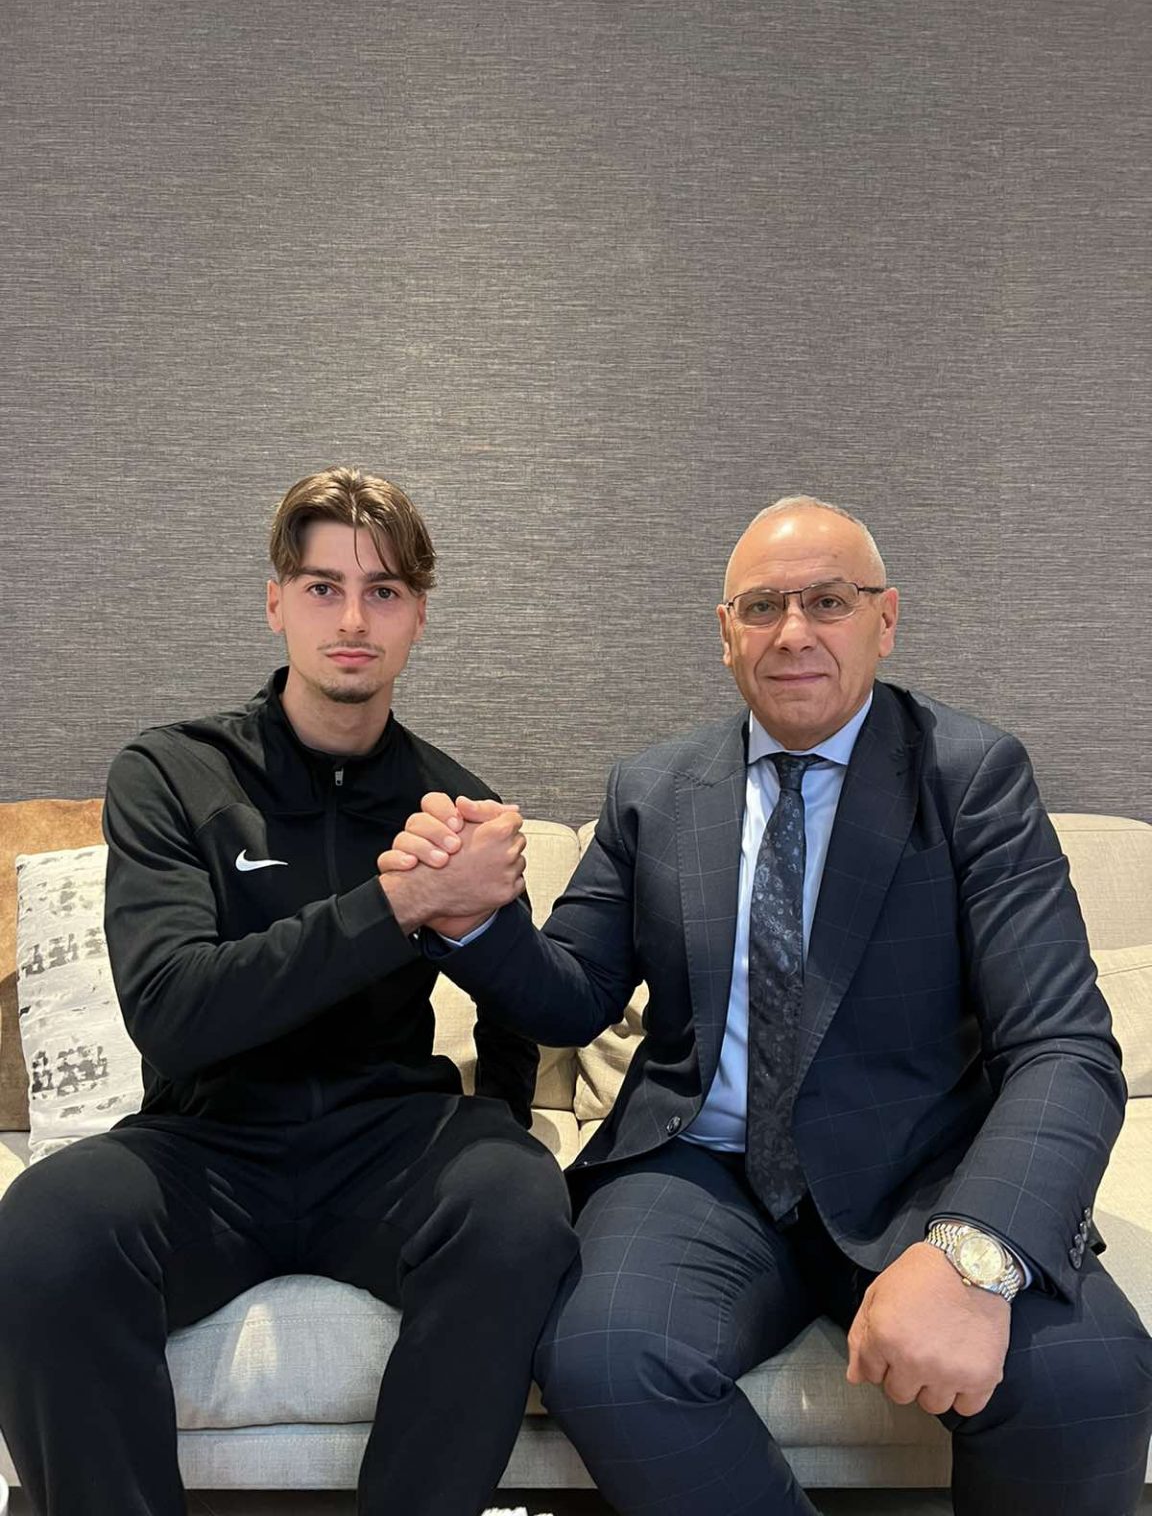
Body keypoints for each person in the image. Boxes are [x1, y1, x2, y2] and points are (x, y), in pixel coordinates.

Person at [380, 496, 1152, 1515]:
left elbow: (1063, 1049)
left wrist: (974, 1256)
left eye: (828, 601)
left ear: (884, 619)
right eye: (762, 607)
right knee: (601, 1355)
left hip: (922, 1168)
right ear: (725, 632)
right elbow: (572, 998)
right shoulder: (655, 789)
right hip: (701, 1167)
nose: (792, 632)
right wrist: (477, 921)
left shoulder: (971, 778)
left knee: (1088, 1385)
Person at [0, 467, 577, 1516]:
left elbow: (519, 1021)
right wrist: (396, 904)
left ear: (417, 616)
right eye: (322, 588)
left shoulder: (455, 804)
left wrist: (491, 1076)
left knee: (521, 1205)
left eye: (383, 592)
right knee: (41, 1230)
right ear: (276, 603)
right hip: (206, 1144)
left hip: (388, 1143)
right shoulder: (171, 773)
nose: (352, 620)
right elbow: (172, 1011)